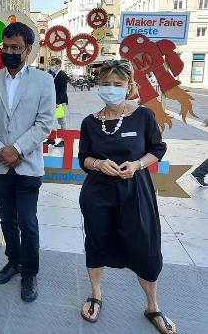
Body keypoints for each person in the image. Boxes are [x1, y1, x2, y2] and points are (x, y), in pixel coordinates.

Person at [78, 60, 177, 334]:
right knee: (96, 242)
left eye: (118, 85)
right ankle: (96, 294)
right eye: (106, 85)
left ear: (130, 87)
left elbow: (157, 149)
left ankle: (152, 306)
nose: (111, 90)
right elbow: (82, 158)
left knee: (145, 246)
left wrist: (136, 165)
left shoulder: (143, 116)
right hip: (98, 193)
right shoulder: (90, 122)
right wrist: (98, 164)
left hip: (135, 192)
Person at [0, 22, 55, 302]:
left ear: (28, 50)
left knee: (28, 221)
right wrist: (1, 151)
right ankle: (13, 261)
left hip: (28, 165)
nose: (9, 52)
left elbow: (45, 123)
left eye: (15, 48)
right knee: (7, 220)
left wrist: (17, 149)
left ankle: (30, 272)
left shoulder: (44, 81)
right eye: (5, 47)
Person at [46, 57, 69, 147]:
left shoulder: (62, 74)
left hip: (59, 102)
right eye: (50, 64)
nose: (51, 66)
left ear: (59, 65)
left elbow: (63, 90)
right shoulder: (52, 74)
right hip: (54, 102)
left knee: (61, 121)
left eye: (53, 64)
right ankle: (51, 139)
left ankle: (64, 140)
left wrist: (56, 102)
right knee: (51, 121)